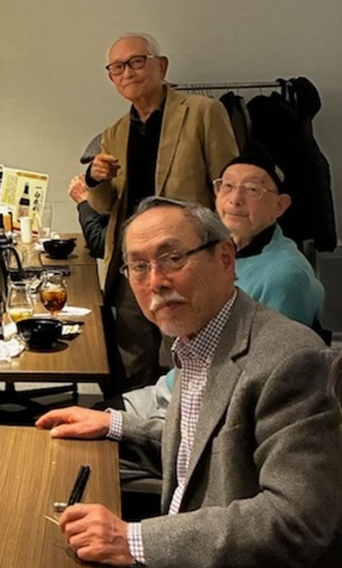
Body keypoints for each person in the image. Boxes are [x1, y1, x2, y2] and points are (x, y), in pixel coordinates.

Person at [35, 197, 342, 568]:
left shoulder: (291, 358)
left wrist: (133, 540)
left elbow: (295, 522)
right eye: (138, 266)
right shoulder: (198, 338)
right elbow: (209, 443)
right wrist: (114, 424)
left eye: (173, 258)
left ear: (225, 258)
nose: (155, 281)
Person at [122, 148, 325, 421]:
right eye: (227, 186)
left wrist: (123, 423)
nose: (235, 199)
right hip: (183, 382)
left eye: (252, 190)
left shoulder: (285, 276)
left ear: (280, 205)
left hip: (219, 403)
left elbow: (260, 381)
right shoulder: (222, 250)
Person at [86, 32, 238, 392]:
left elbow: (228, 187)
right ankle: (136, 423)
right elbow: (106, 206)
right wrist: (95, 179)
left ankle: (188, 423)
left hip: (187, 259)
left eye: (137, 62)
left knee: (190, 354)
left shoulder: (203, 112)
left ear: (162, 66)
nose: (128, 72)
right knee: (132, 358)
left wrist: (230, 254)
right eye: (117, 67)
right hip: (135, 264)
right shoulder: (114, 133)